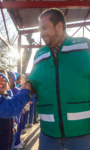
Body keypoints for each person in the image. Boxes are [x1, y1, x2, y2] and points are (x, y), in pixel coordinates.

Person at [29, 8, 90, 150]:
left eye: (45, 28)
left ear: (59, 26)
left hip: (83, 132)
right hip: (48, 133)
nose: (42, 33)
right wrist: (27, 85)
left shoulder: (85, 46)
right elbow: (34, 81)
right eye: (40, 29)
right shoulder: (39, 54)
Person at [0, 73, 14, 150]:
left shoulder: (9, 98)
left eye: (4, 81)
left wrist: (15, 123)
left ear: (8, 86)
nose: (2, 83)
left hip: (9, 133)